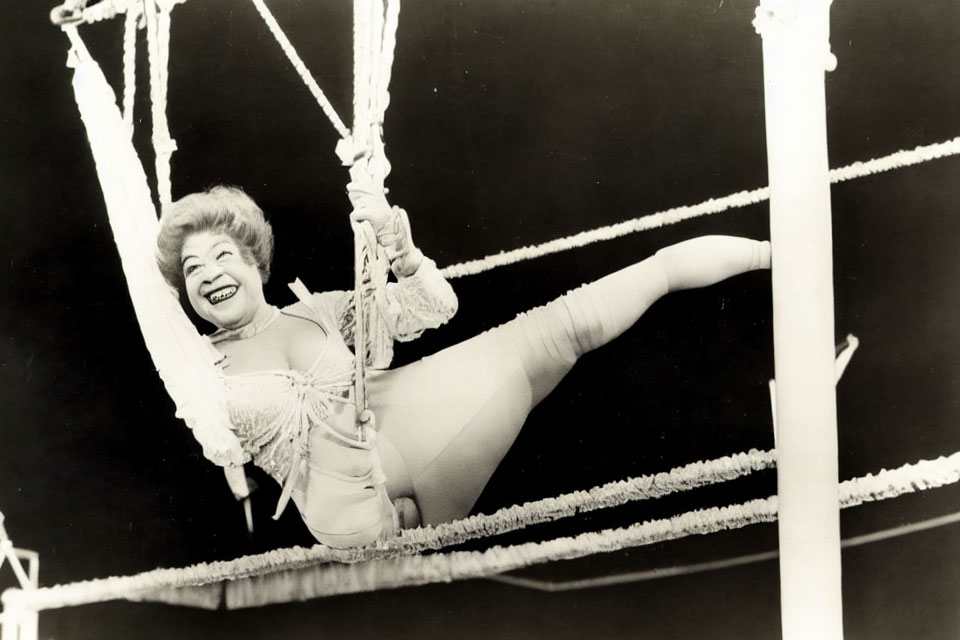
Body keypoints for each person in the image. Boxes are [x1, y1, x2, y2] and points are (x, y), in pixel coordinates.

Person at [157, 182, 771, 549]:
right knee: (342, 431)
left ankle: (771, 251)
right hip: (345, 509)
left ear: (255, 263)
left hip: (414, 442)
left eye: (221, 255)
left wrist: (400, 251)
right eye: (192, 269)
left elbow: (434, 306)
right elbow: (220, 447)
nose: (209, 272)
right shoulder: (200, 370)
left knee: (561, 331)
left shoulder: (317, 310)